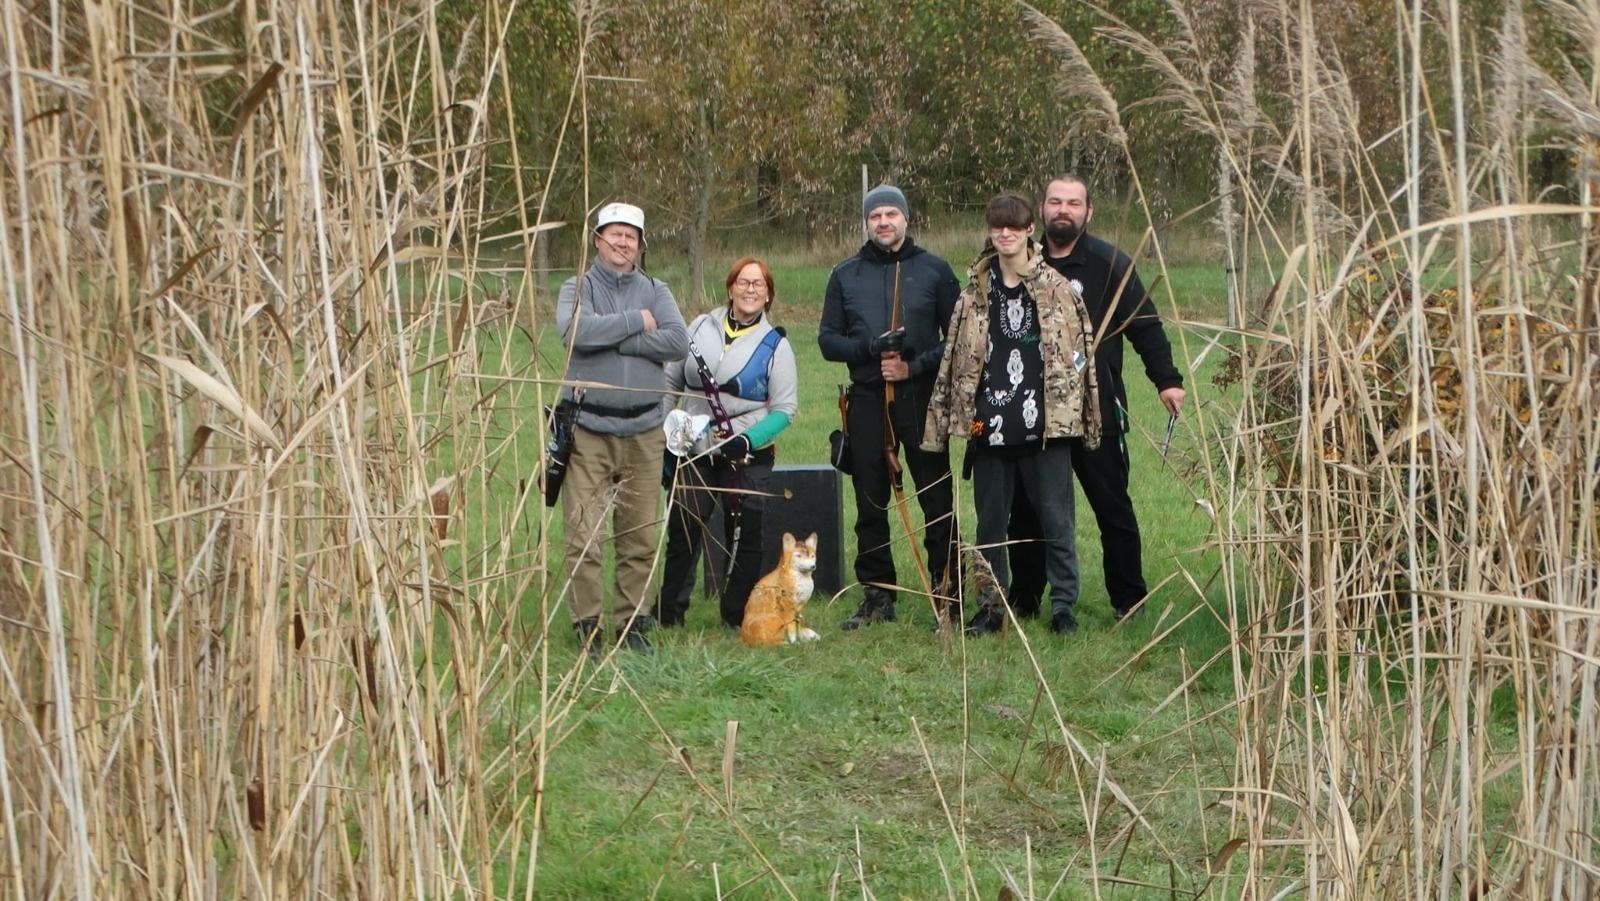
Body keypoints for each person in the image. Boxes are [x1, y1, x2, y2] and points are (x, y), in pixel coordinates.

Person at [1007, 175, 1185, 621]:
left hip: (1095, 409)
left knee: (1112, 508)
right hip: (1034, 413)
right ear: (1041, 209)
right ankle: (1026, 597)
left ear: (1089, 212)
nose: (1062, 210)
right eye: (1054, 202)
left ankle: (1129, 600)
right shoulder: (1019, 262)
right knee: (1027, 511)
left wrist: (1167, 379)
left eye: (1073, 203)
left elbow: (1145, 324)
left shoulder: (1110, 264)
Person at [922, 193, 1101, 636]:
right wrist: (944, 424)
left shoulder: (1059, 290)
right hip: (988, 427)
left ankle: (1063, 608)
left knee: (1057, 521)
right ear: (990, 232)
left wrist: (1078, 408)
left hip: (1047, 428)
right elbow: (951, 362)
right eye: (997, 227)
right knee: (990, 525)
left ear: (1028, 232)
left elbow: (1084, 357)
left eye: (1013, 227)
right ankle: (990, 606)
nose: (1005, 234)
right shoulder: (973, 296)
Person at [818, 184, 961, 629]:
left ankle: (948, 597)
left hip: (919, 399)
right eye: (876, 215)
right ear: (866, 221)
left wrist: (914, 367)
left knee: (935, 497)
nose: (884, 221)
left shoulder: (934, 271)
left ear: (905, 219)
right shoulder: (845, 274)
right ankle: (878, 596)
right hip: (865, 399)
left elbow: (957, 340)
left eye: (891, 214)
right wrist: (868, 349)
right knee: (869, 501)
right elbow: (827, 341)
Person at [556, 201, 688, 654]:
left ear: (641, 243)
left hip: (646, 433)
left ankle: (633, 624)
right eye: (614, 233)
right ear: (598, 239)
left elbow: (677, 341)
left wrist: (613, 337)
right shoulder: (579, 286)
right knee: (584, 536)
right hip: (588, 431)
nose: (622, 241)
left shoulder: (657, 288)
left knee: (640, 536)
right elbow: (575, 332)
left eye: (631, 235)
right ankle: (588, 626)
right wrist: (636, 324)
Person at [655, 256, 799, 629]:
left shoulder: (776, 345)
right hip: (694, 448)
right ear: (730, 287)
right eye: (743, 282)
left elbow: (784, 410)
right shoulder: (700, 326)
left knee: (747, 533)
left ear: (768, 295)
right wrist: (663, 430)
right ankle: (669, 612)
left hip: (747, 455)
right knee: (685, 529)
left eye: (759, 284)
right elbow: (671, 380)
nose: (750, 289)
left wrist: (747, 441)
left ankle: (736, 615)